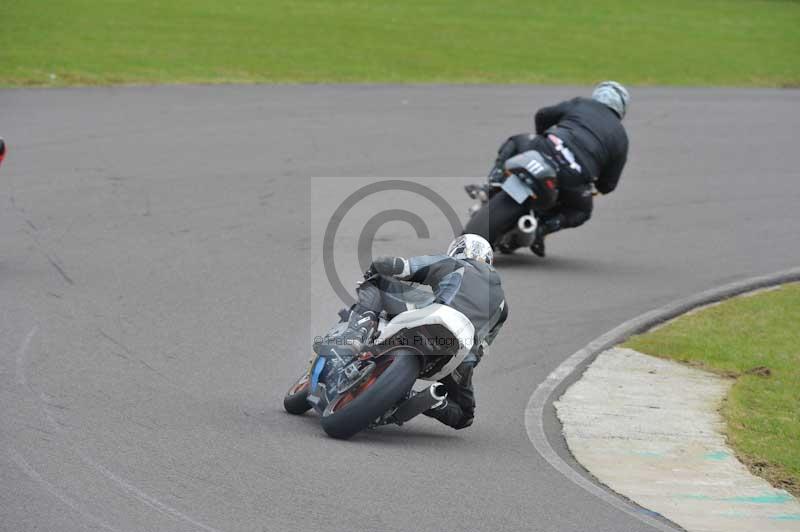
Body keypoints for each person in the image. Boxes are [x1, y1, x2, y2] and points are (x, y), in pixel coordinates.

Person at [317, 234, 508, 430]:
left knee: (378, 281)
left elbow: (402, 267)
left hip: (438, 317)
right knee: (464, 416)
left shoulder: (453, 263)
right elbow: (483, 347)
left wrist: (377, 267)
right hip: (460, 353)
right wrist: (464, 366)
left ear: (459, 250)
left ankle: (355, 335)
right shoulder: (502, 305)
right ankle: (423, 400)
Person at [487, 81, 630, 257]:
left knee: (516, 141)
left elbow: (542, 114)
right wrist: (595, 183)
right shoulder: (621, 138)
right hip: (575, 175)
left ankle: (494, 179)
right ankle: (542, 229)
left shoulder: (582, 104)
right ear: (621, 109)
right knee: (581, 211)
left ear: (597, 96)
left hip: (546, 148)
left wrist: (542, 137)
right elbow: (608, 185)